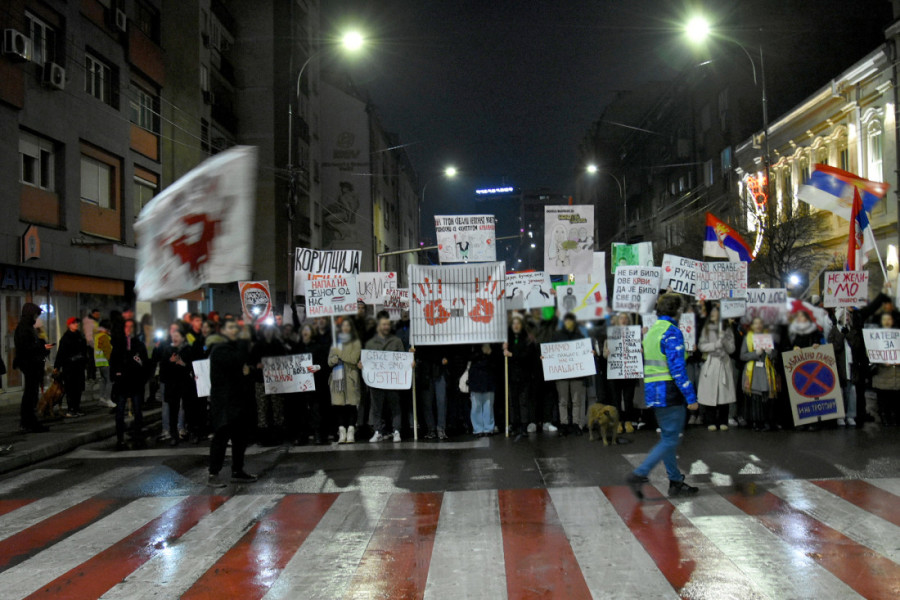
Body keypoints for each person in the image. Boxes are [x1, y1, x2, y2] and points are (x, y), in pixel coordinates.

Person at [626, 293, 700, 499]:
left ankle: (675, 481)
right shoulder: (672, 332)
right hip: (670, 391)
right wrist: (691, 398)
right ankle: (639, 474)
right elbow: (677, 369)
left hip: (654, 391)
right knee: (669, 439)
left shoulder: (651, 332)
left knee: (668, 438)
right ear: (677, 311)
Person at [208, 318, 257, 487]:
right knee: (221, 438)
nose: (234, 330)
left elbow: (245, 363)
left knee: (240, 438)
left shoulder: (234, 348)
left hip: (238, 401)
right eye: (230, 327)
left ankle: (238, 470)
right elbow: (237, 361)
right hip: (224, 403)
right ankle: (213, 474)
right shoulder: (219, 349)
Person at [548, 313, 591, 436]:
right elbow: (550, 351)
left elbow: (585, 351)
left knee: (576, 401)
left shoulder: (579, 336)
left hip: (577, 374)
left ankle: (576, 424)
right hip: (561, 374)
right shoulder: (556, 336)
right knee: (563, 401)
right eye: (567, 320)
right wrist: (545, 358)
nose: (568, 323)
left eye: (571, 320)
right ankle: (564, 424)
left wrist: (590, 352)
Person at [363, 315, 405, 442]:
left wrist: (410, 363)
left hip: (392, 381)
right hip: (376, 382)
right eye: (383, 324)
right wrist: (362, 364)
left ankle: (396, 431)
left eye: (388, 324)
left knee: (395, 407)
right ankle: (378, 431)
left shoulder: (397, 341)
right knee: (376, 408)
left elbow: (403, 359)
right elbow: (366, 361)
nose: (386, 327)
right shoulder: (370, 343)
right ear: (378, 327)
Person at [110, 319, 149, 450]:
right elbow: (113, 361)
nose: (128, 329)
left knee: (138, 410)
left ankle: (138, 435)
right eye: (126, 327)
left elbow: (145, 363)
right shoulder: (119, 344)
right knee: (120, 412)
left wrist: (143, 378)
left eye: (131, 327)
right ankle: (120, 438)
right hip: (122, 383)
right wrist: (116, 375)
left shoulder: (138, 344)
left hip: (135, 382)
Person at [697, 305, 736, 431]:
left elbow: (732, 349)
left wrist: (724, 340)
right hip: (712, 363)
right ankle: (711, 421)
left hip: (724, 363)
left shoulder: (727, 329)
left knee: (724, 393)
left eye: (716, 311)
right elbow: (702, 346)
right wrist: (715, 345)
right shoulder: (706, 329)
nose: (713, 313)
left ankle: (723, 420)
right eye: (712, 311)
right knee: (710, 393)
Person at [14, 302, 52, 432]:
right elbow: (26, 348)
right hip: (30, 364)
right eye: (35, 315)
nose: (36, 318)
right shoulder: (24, 328)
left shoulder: (27, 327)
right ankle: (28, 422)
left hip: (32, 364)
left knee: (32, 393)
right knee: (30, 394)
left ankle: (29, 421)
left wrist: (42, 346)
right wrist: (42, 347)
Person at [740, 317, 780, 431]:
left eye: (760, 323)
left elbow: (776, 355)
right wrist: (755, 353)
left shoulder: (768, 337)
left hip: (766, 371)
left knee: (768, 397)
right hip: (753, 373)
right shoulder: (747, 338)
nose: (758, 325)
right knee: (755, 398)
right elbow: (742, 356)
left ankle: (768, 421)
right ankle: (756, 421)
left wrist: (770, 352)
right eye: (755, 323)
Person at [159, 323, 194, 446]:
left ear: (183, 338)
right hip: (172, 385)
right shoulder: (167, 350)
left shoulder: (187, 349)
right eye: (173, 335)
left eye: (177, 335)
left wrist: (182, 363)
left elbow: (191, 366)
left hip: (185, 384)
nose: (175, 338)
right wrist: (170, 362)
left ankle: (189, 431)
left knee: (188, 408)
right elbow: (163, 369)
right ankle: (174, 435)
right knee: (173, 411)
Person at [328, 319, 362, 443]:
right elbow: (329, 360)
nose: (346, 327)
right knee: (339, 405)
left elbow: (353, 359)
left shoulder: (356, 342)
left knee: (351, 405)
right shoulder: (335, 343)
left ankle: (351, 431)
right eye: (344, 326)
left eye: (348, 325)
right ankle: (341, 431)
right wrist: (333, 360)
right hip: (337, 377)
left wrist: (340, 354)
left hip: (350, 377)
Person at [504, 313, 538, 435]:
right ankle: (515, 424)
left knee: (523, 401)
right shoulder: (508, 339)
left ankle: (524, 425)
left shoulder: (527, 339)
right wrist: (504, 349)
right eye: (514, 324)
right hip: (512, 375)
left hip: (524, 375)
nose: (516, 326)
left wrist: (512, 355)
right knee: (513, 402)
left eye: (518, 323)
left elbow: (527, 356)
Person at [603, 313, 637, 433]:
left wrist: (640, 350)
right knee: (615, 399)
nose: (624, 320)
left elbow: (637, 350)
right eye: (622, 318)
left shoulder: (634, 333)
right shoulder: (611, 334)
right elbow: (604, 354)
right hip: (615, 372)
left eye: (626, 318)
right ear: (618, 320)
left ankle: (628, 421)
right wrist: (606, 353)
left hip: (629, 371)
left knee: (628, 399)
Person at [54, 317, 88, 418]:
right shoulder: (66, 338)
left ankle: (76, 408)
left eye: (77, 322)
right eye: (73, 323)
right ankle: (71, 409)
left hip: (79, 366)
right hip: (69, 367)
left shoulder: (80, 336)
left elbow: (84, 350)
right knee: (71, 389)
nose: (76, 324)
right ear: (69, 325)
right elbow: (61, 353)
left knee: (78, 389)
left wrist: (85, 360)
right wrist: (57, 366)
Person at [871, 312, 900, 426]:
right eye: (884, 319)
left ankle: (895, 418)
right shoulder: (874, 337)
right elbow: (871, 354)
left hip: (897, 375)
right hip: (882, 375)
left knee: (896, 400)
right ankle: (885, 418)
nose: (887, 322)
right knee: (884, 400)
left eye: (889, 319)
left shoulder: (898, 335)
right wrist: (882, 360)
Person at [469, 342, 499, 436]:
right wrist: (483, 353)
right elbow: (469, 357)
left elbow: (496, 362)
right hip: (477, 379)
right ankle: (478, 429)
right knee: (476, 406)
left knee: (488, 405)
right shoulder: (473, 345)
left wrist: (490, 353)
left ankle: (488, 428)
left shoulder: (493, 346)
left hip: (488, 379)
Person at [93, 320, 115, 408]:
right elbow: (107, 351)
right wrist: (112, 360)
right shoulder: (104, 337)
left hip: (99, 362)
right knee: (109, 381)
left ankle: (101, 398)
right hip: (106, 362)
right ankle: (108, 399)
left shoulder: (97, 336)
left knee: (103, 381)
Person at [83, 308, 100, 381]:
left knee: (92, 361)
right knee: (91, 361)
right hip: (91, 345)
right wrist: (93, 345)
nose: (98, 316)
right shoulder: (90, 322)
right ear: (93, 314)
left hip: (93, 344)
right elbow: (89, 335)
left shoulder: (93, 321)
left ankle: (92, 376)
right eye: (97, 314)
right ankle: (91, 376)